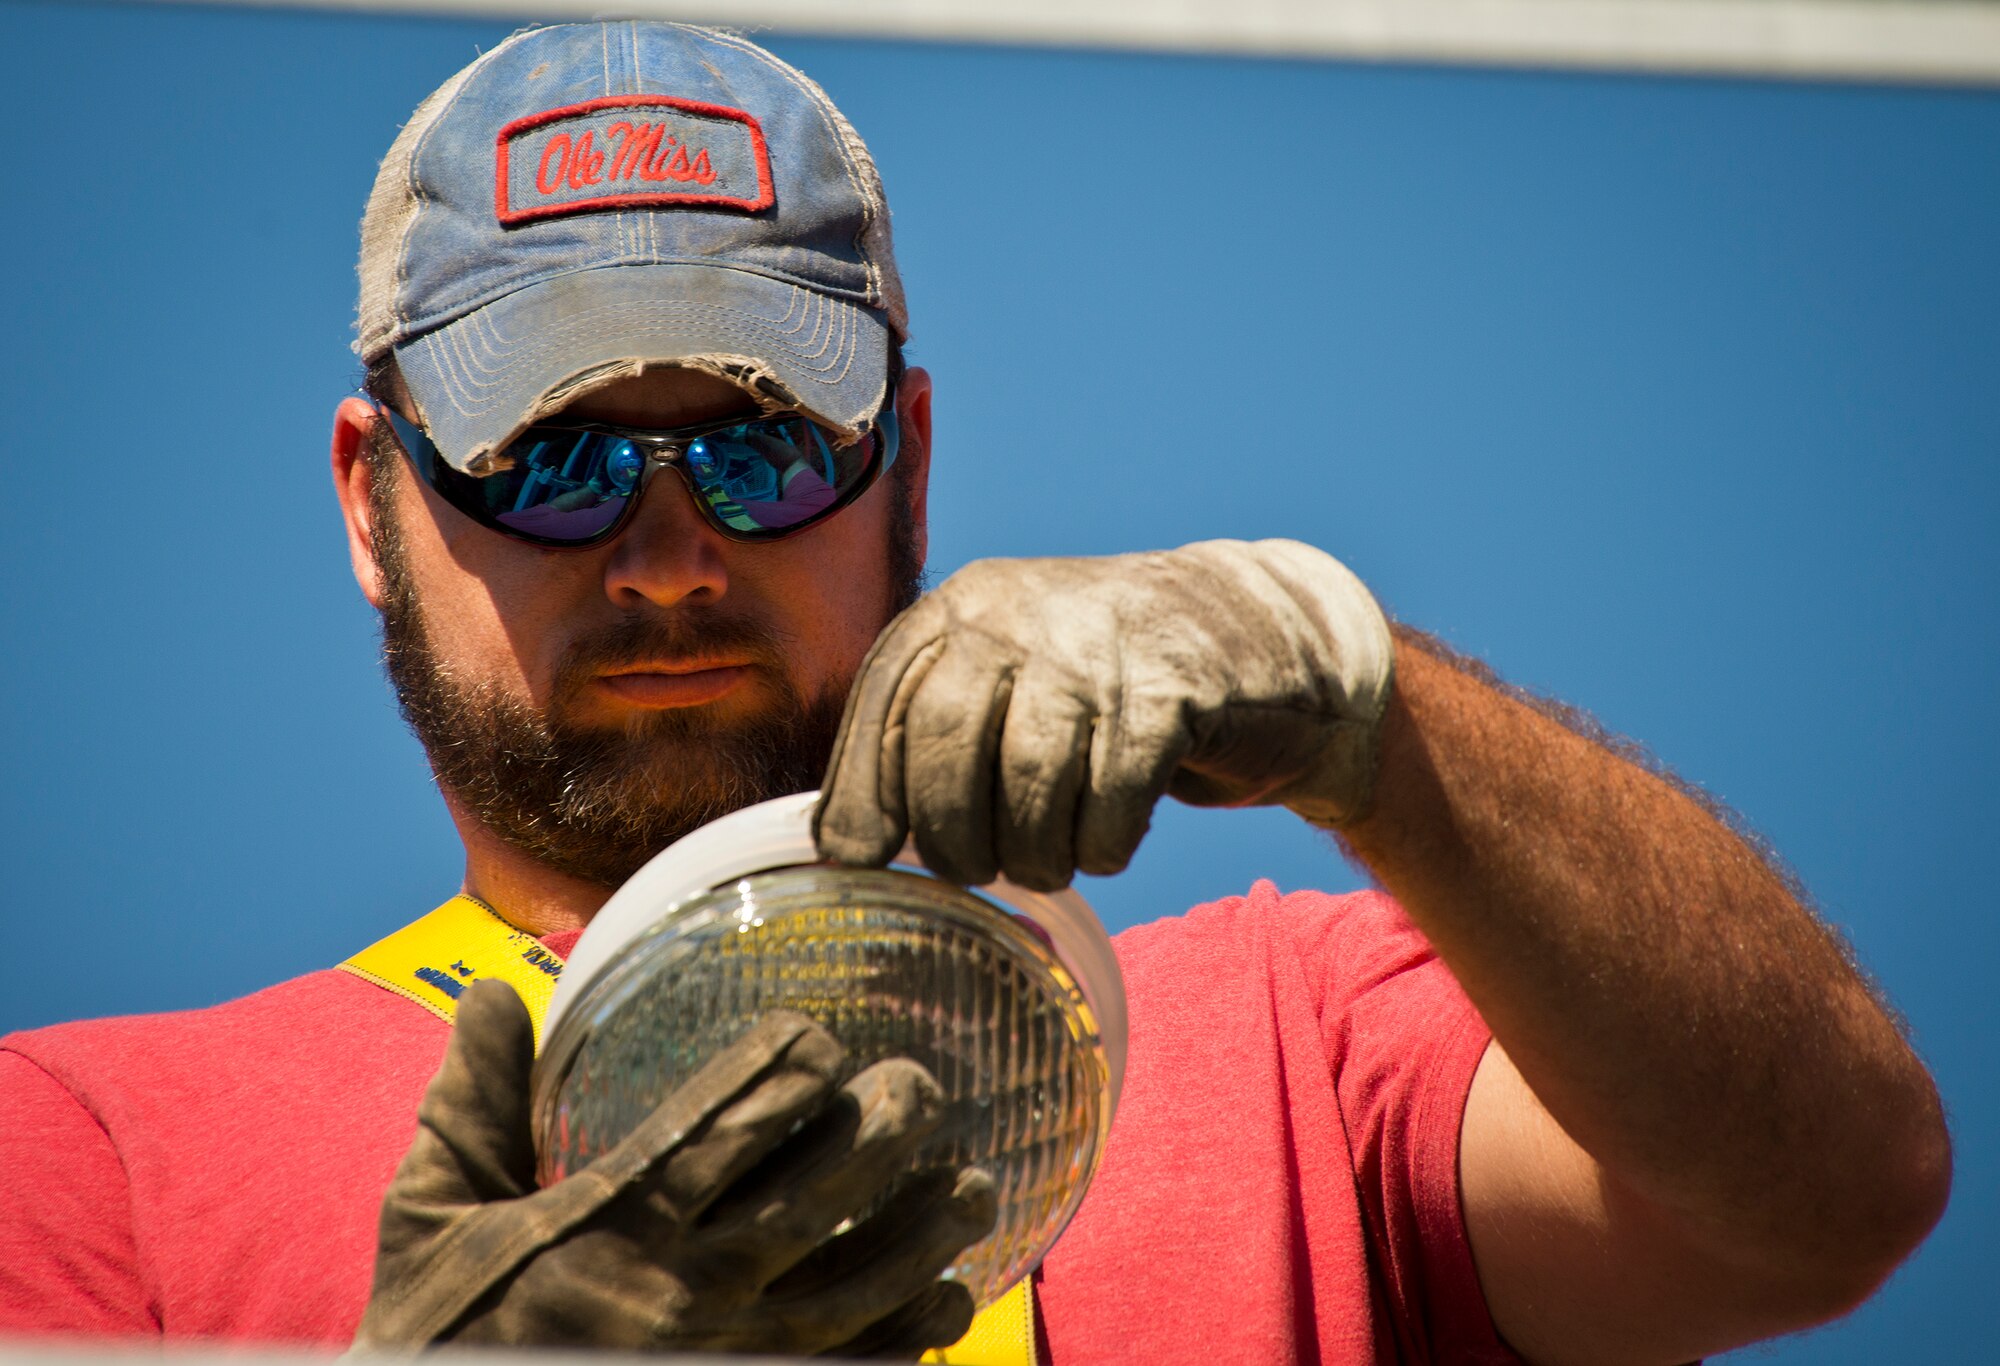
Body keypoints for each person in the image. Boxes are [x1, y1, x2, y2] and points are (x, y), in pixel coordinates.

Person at [0, 20, 1950, 1366]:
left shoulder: (1290, 1043)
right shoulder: (84, 1149)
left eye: (763, 452)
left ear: (908, 467)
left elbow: (1825, 1199)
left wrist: (1371, 702)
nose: (671, 554)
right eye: (557, 456)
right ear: (373, 495)